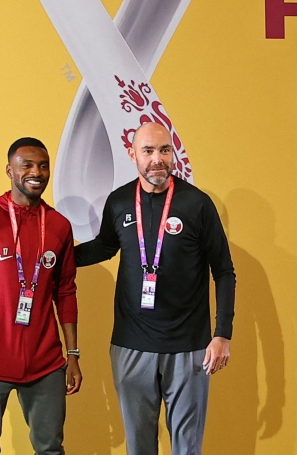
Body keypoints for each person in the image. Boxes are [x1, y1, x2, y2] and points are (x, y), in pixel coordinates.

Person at [75, 122, 236, 455]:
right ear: (132, 154)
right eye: (148, 151)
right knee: (139, 449)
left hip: (189, 348)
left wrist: (222, 334)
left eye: (164, 150)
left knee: (187, 449)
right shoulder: (119, 202)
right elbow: (103, 247)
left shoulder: (197, 204)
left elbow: (223, 270)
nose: (157, 159)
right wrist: (54, 256)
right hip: (131, 346)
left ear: (172, 153)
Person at [0, 137, 82, 455]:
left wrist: (73, 355)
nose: (36, 172)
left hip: (45, 363)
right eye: (27, 165)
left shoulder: (58, 226)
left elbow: (65, 292)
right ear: (10, 170)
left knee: (50, 448)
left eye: (43, 165)